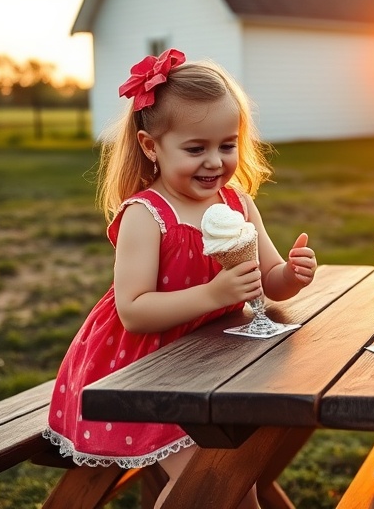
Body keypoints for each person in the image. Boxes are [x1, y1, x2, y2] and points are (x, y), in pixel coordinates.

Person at [42, 48, 317, 509]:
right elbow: (133, 311)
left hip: (211, 363)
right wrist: (213, 294)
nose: (215, 162)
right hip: (141, 372)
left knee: (238, 467)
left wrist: (292, 273)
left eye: (227, 145)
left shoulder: (237, 205)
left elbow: (267, 280)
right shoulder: (147, 215)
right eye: (196, 149)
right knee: (219, 479)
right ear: (151, 147)